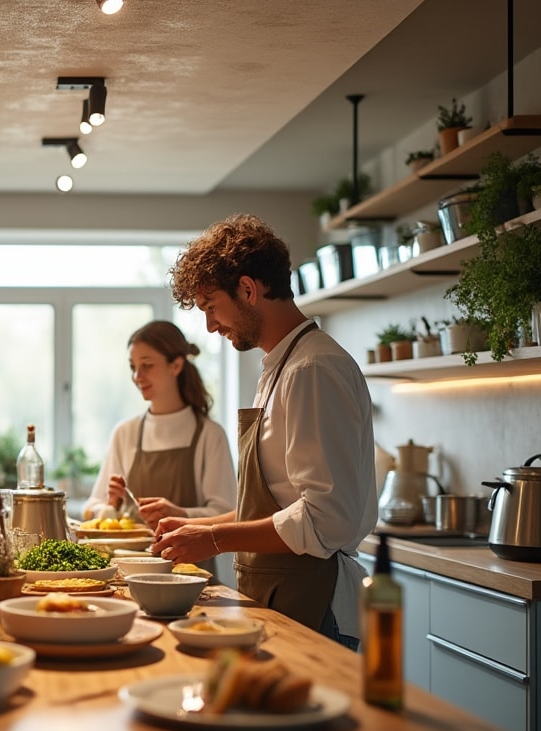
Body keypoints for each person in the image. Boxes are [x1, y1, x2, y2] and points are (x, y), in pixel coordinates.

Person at [151, 214, 376, 650]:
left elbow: (325, 518)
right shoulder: (282, 365)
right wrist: (196, 527)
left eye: (211, 307)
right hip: (283, 595)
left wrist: (213, 538)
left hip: (318, 604)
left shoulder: (313, 369)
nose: (211, 326)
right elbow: (277, 504)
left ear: (249, 290)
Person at [85, 320, 236, 575]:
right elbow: (92, 510)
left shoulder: (210, 435)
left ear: (175, 365)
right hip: (128, 574)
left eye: (147, 365)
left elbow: (229, 513)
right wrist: (113, 504)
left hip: (191, 577)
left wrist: (181, 514)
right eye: (133, 367)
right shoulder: (126, 433)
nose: (137, 376)